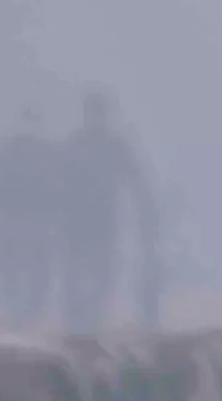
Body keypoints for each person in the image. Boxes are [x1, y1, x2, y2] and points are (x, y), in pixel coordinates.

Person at [57, 89, 158, 334]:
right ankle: (88, 313)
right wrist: (144, 208)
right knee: (98, 267)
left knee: (85, 266)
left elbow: (58, 180)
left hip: (83, 218)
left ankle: (82, 314)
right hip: (99, 218)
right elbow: (135, 180)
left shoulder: (76, 141)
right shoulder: (112, 143)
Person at [0, 111, 62, 327]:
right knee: (17, 268)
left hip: (34, 219)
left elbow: (58, 186)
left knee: (33, 267)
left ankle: (27, 309)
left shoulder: (43, 152)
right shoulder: (13, 150)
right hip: (18, 218)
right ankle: (20, 309)